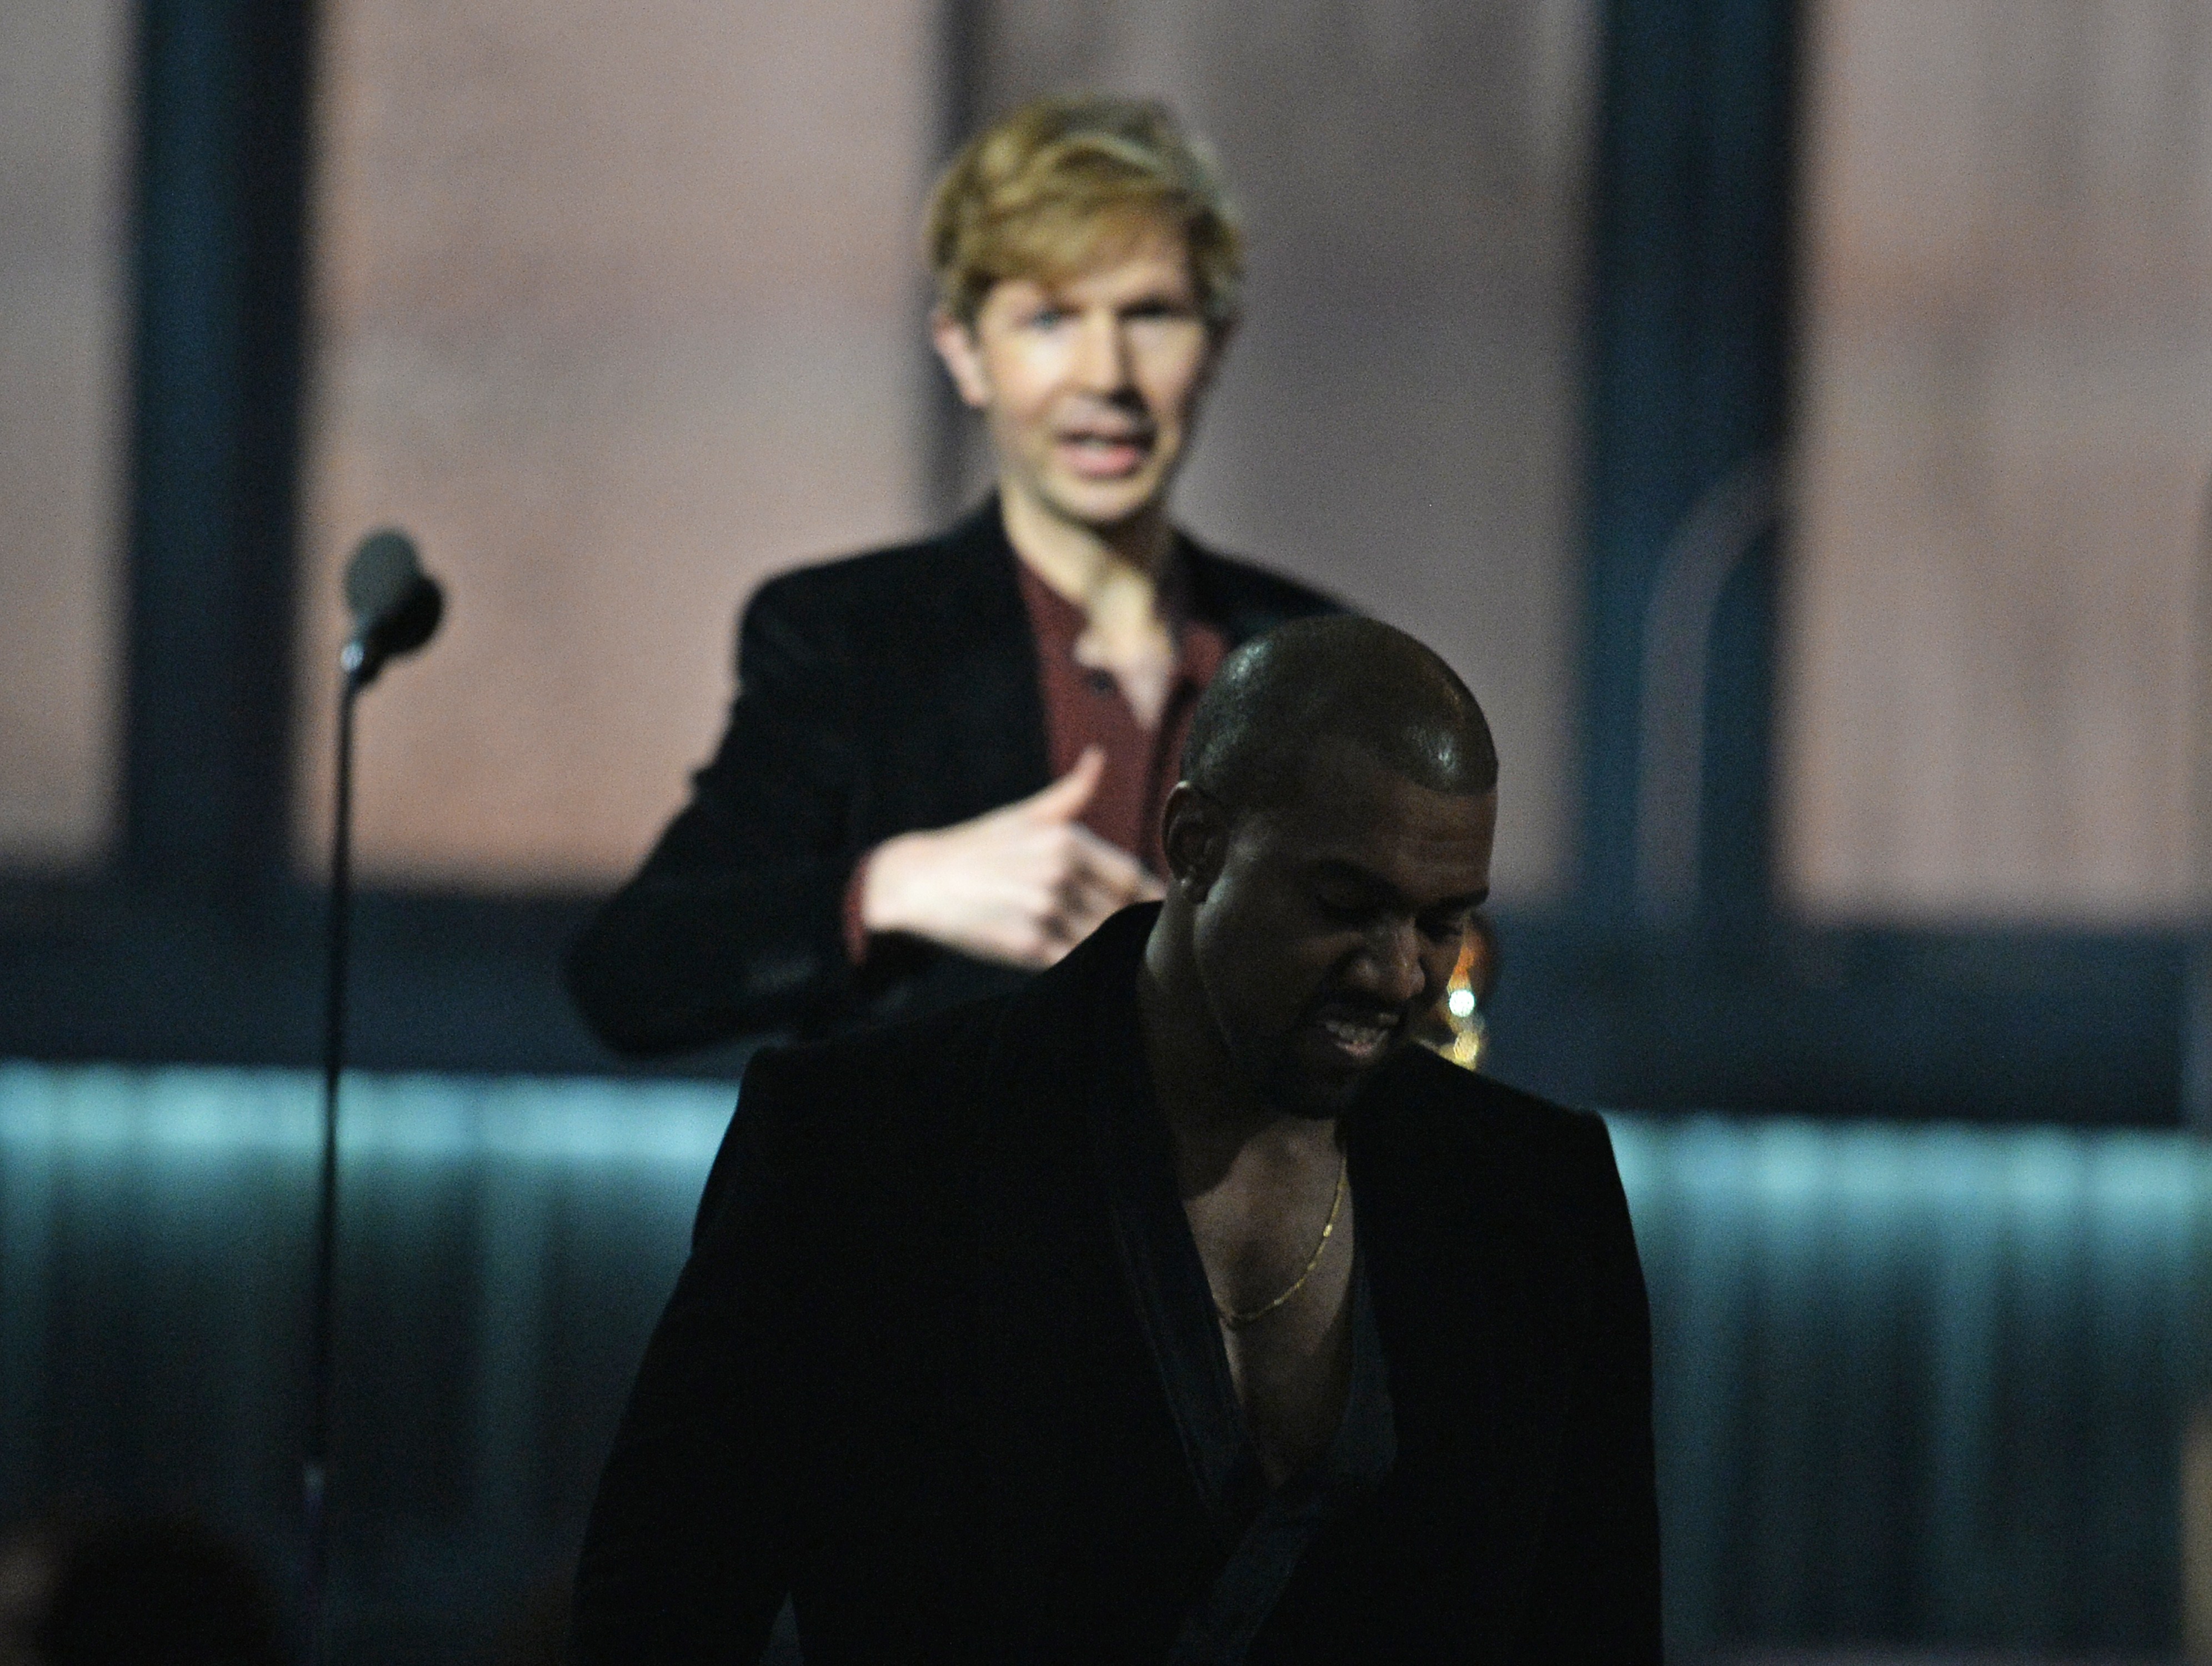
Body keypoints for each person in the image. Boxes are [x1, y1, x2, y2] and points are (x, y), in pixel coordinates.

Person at [573, 617, 1661, 1663]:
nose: (1397, 973)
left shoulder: (1536, 1199)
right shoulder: (859, 1148)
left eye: (1441, 921)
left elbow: (1594, 1630)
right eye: (1342, 903)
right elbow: (658, 1618)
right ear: (1192, 843)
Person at [566, 96, 1337, 1057]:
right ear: (965, 355)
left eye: (1149, 315)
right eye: (1048, 319)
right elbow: (632, 976)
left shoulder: (1318, 661)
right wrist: (889, 886)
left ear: (1215, 345)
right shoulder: (849, 637)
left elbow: (1426, 991)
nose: (1106, 373)